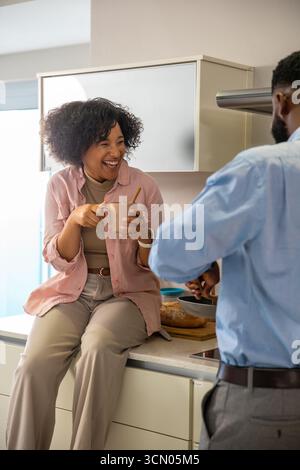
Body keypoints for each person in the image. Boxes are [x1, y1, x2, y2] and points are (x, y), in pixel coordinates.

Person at [149, 50, 300, 450]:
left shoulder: (262, 169)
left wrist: (204, 259)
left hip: (272, 406)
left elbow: (169, 253)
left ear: (282, 101)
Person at [6, 98, 163, 450]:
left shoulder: (144, 187)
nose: (116, 152)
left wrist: (145, 238)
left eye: (120, 142)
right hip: (72, 291)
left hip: (126, 295)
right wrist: (75, 220)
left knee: (97, 345)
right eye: (104, 143)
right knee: (33, 365)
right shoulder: (60, 186)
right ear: (79, 147)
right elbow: (57, 258)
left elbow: (154, 266)